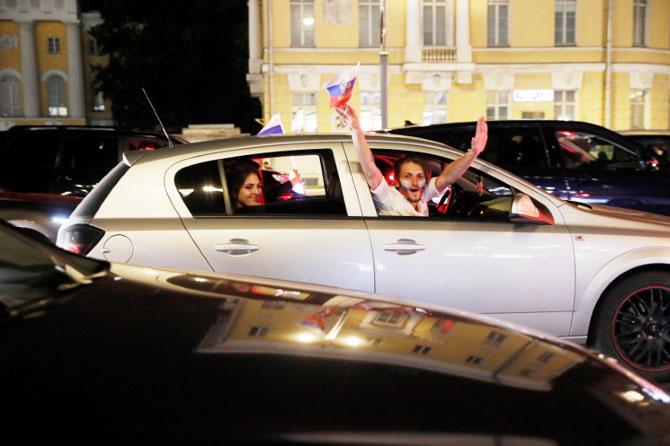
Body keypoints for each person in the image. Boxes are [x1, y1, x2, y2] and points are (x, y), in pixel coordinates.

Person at [339, 105, 488, 216]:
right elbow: (371, 170)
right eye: (407, 176)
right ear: (396, 181)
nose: (415, 182)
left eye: (420, 176)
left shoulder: (423, 196)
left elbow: (448, 177)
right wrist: (356, 131)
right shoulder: (390, 198)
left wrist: (473, 153)